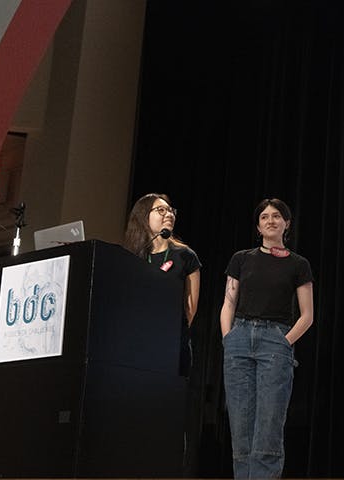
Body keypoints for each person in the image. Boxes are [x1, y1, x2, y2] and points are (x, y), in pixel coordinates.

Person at [220, 198, 314, 479]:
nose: (270, 220)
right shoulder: (241, 258)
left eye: (276, 216)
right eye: (264, 217)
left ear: (287, 224)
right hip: (239, 338)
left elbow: (307, 315)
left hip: (275, 341)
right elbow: (228, 303)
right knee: (241, 425)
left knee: (269, 426)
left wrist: (285, 341)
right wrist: (228, 338)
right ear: (258, 226)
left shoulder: (299, 264)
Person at [123, 192, 202, 376]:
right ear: (143, 217)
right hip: (136, 343)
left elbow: (190, 309)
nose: (169, 215)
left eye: (170, 210)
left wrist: (170, 335)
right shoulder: (133, 257)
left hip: (171, 343)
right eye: (160, 210)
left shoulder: (185, 256)